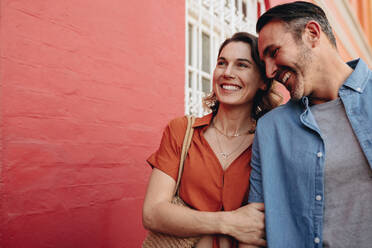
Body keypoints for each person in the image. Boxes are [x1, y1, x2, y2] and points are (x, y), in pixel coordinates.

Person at [248, 1, 372, 247]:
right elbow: (255, 225)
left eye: (274, 52)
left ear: (312, 34)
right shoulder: (271, 129)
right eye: (265, 64)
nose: (270, 71)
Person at [142, 32, 281, 248]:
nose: (227, 72)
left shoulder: (269, 145)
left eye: (241, 65)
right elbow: (152, 213)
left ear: (263, 81)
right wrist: (227, 222)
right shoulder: (181, 131)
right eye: (221, 63)